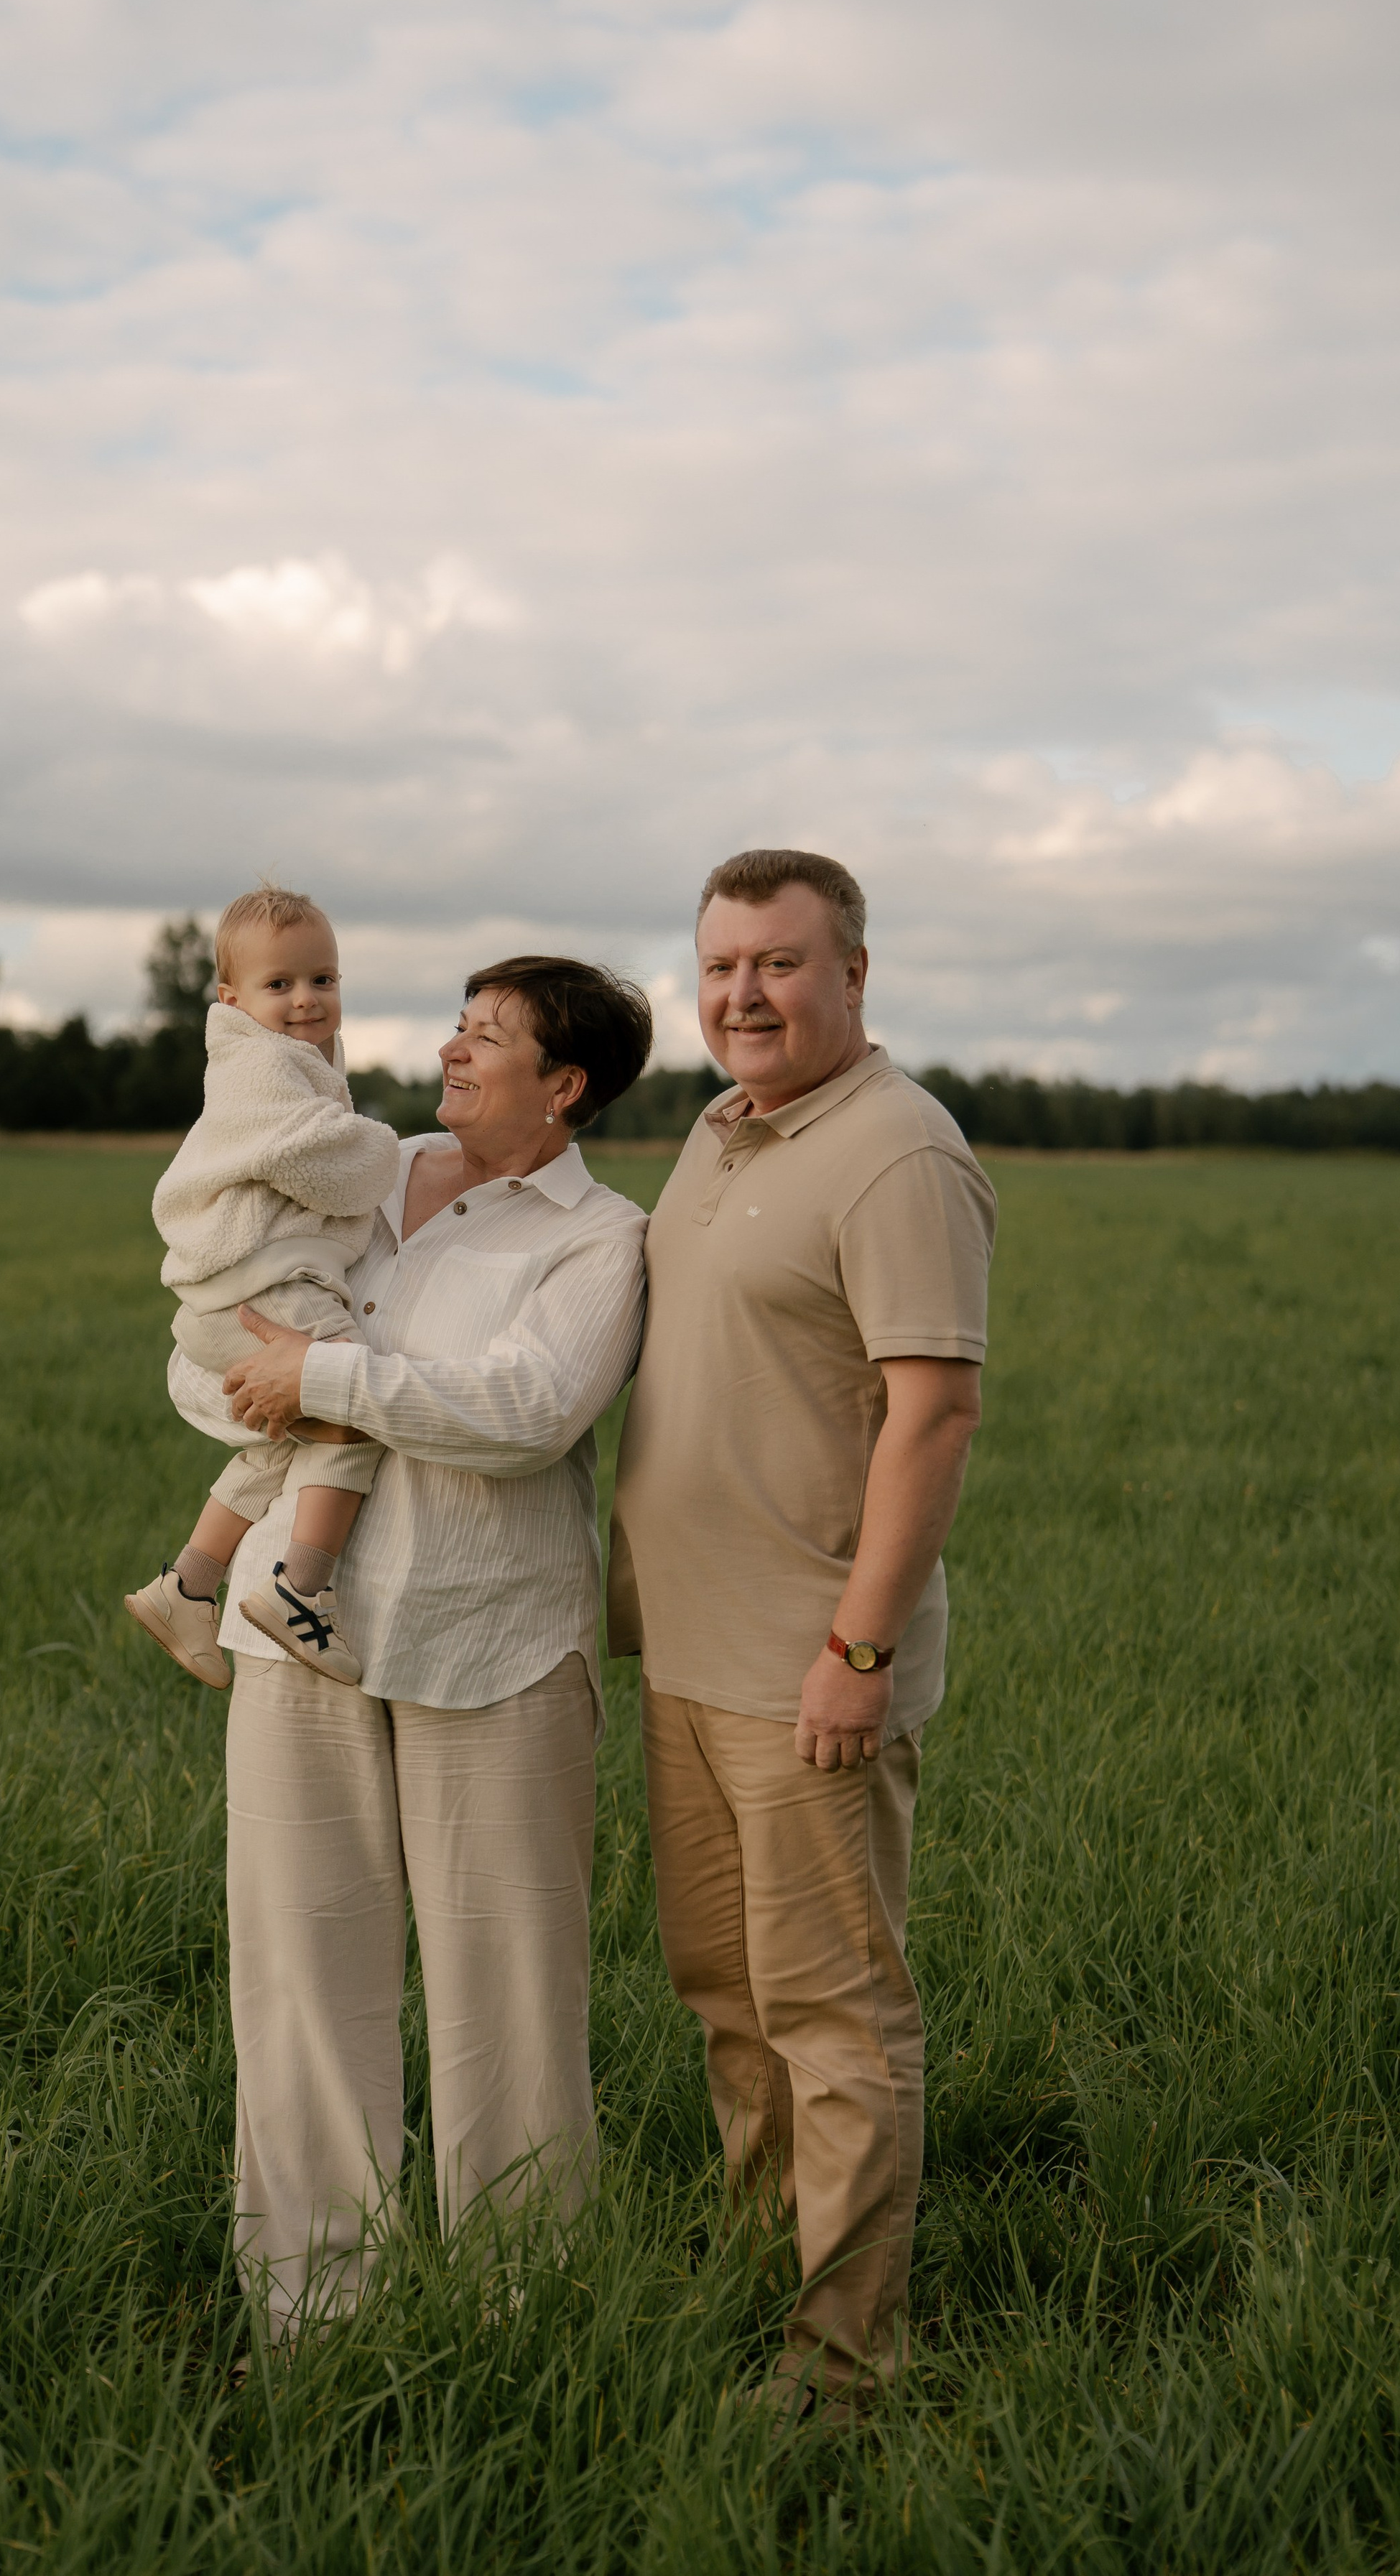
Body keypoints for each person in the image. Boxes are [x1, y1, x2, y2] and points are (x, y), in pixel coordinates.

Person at [608, 848, 996, 2422]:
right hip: (684, 1657)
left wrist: (854, 1652)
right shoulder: (716, 1133)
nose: (741, 994)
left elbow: (934, 1415)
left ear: (851, 976)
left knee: (833, 2018)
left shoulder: (897, 1154)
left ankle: (844, 2365)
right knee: (725, 1993)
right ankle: (759, 2268)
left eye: (776, 963)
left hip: (804, 1670)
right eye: (718, 966)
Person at [213, 956, 652, 2336]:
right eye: (456, 1028)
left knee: (508, 2000)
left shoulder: (599, 1240)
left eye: (487, 1038)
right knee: (300, 1979)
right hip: (296, 1636)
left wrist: (320, 1378)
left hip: (495, 1645)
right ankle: (310, 2313)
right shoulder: (362, 1170)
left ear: (563, 1085)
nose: (451, 1053)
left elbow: (527, 1410)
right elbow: (224, 1313)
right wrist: (240, 1379)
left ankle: (520, 2315)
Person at [124, 886, 399, 1690]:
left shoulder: (292, 1063)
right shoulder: (258, 1068)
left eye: (323, 979)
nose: (306, 1000)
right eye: (280, 985)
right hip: (265, 1288)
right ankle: (301, 1589)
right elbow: (327, 1160)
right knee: (354, 1403)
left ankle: (185, 1588)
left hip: (237, 1295)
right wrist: (383, 1149)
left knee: (282, 1440)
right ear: (231, 1000)